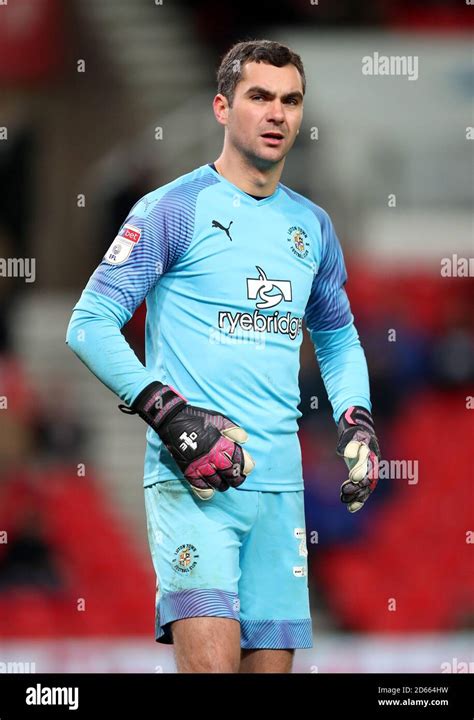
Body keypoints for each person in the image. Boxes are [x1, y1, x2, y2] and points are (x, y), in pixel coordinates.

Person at [66, 39, 381, 674]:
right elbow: (89, 324)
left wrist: (357, 418)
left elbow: (340, 336)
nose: (276, 114)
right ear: (220, 107)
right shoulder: (172, 210)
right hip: (195, 482)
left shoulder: (313, 227)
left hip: (280, 488)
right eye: (259, 97)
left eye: (290, 101)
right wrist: (173, 417)